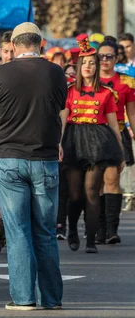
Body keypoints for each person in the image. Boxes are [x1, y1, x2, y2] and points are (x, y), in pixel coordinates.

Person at [0, 22, 65, 311]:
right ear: (39, 42)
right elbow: (59, 107)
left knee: (18, 230)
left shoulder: (1, 72)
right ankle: (52, 298)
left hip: (9, 158)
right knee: (45, 230)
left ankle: (24, 298)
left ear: (14, 45)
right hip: (45, 158)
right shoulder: (55, 72)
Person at [60, 34, 124, 256]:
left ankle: (91, 239)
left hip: (98, 143)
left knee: (92, 193)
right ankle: (73, 232)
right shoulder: (68, 91)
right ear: (78, 66)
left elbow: (114, 126)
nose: (87, 66)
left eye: (92, 63)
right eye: (84, 63)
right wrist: (58, 144)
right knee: (75, 195)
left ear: (97, 67)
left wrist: (121, 154)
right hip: (73, 142)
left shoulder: (107, 93)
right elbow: (62, 121)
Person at [97, 39, 135, 244]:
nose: (104, 60)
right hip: (92, 135)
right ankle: (99, 229)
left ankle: (112, 229)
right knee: (96, 183)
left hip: (116, 133)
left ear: (117, 58)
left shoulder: (127, 83)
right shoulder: (89, 81)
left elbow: (132, 114)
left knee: (112, 179)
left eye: (109, 56)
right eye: (100, 56)